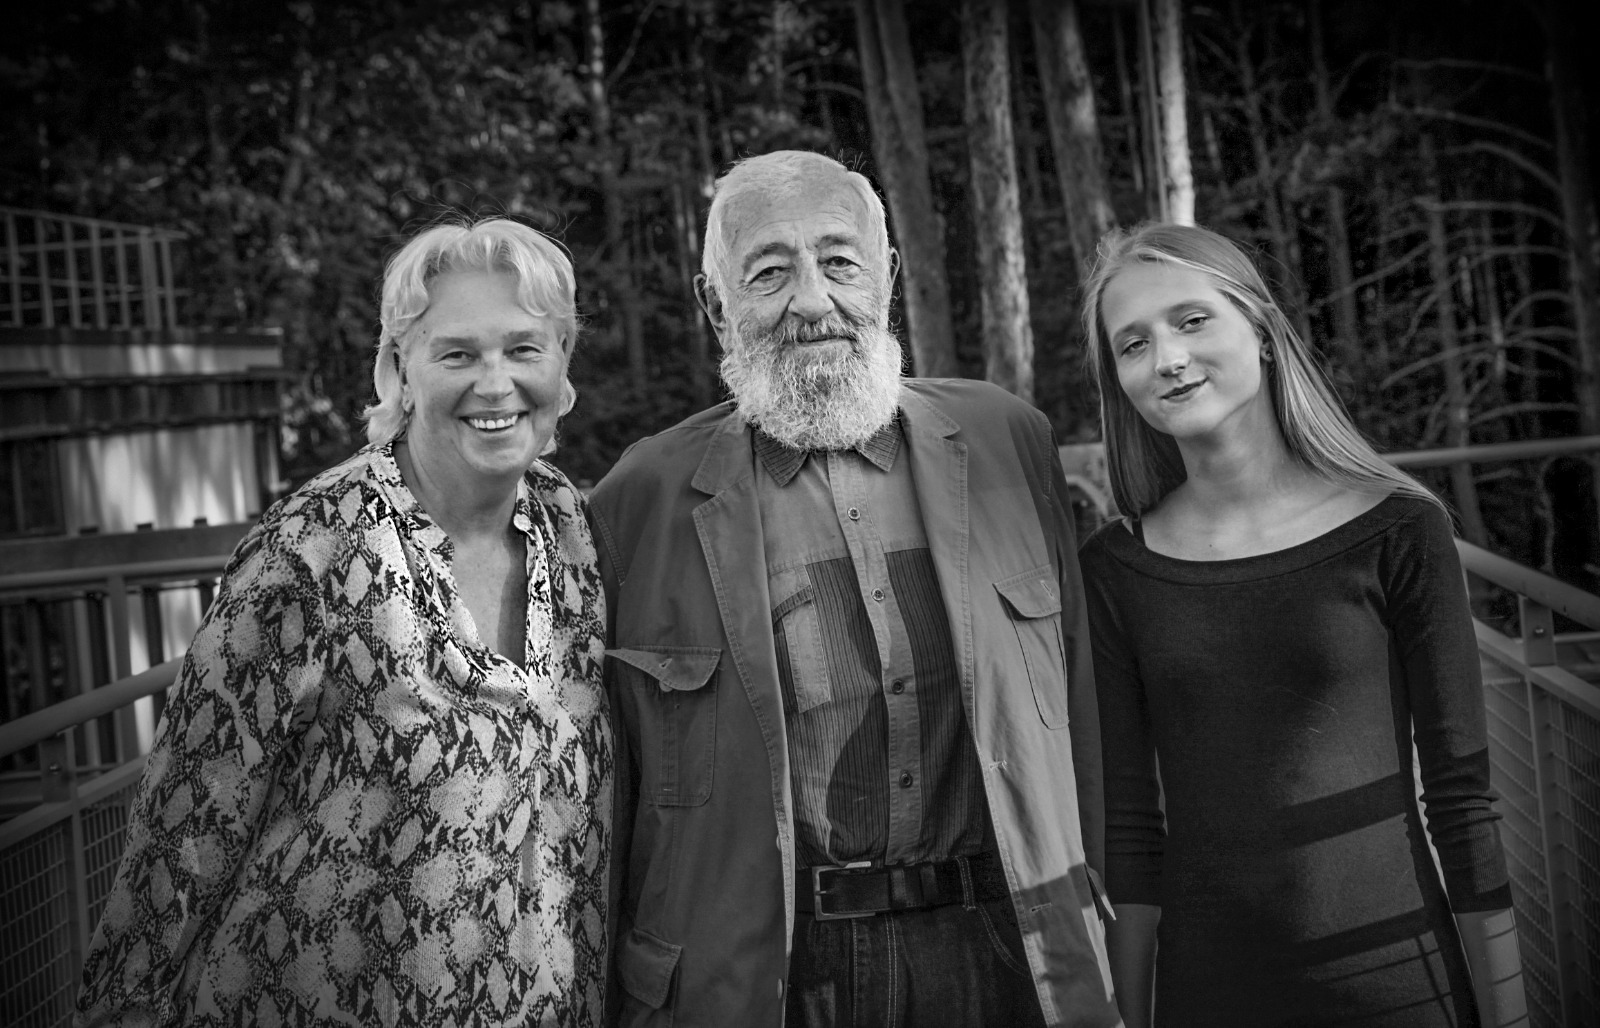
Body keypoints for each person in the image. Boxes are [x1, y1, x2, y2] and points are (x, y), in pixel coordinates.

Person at [588, 150, 1121, 1028]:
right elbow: (611, 799)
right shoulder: (636, 502)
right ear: (715, 305)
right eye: (769, 273)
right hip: (772, 975)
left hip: (1010, 949)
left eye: (839, 262)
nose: (812, 301)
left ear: (889, 276)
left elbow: (1086, 721)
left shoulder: (1009, 440)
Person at [75, 219, 612, 1027]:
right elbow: (186, 820)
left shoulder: (570, 527)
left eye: (524, 349)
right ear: (399, 368)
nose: (495, 383)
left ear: (562, 362)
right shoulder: (314, 547)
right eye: (457, 354)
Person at [1076, 222, 1527, 1027]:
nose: (1167, 358)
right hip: (1208, 995)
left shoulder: (1399, 529)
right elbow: (1134, 833)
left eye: (1191, 320)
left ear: (1260, 328)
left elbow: (1462, 800)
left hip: (1401, 987)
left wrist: (1511, 1016)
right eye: (1133, 344)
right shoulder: (1114, 568)